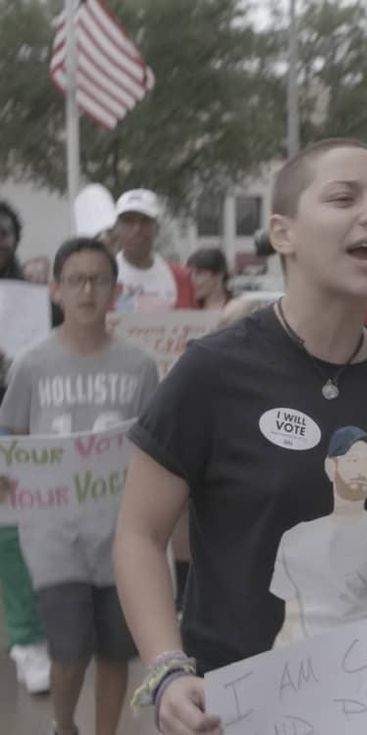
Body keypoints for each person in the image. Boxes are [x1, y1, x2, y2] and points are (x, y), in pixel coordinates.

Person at [113, 138, 367, 734]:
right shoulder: (212, 372)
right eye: (344, 198)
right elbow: (139, 535)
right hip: (243, 709)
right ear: (283, 233)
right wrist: (168, 669)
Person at [0, 236, 159, 735]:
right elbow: (12, 440)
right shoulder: (30, 364)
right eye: (75, 280)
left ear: (115, 290)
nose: (87, 291)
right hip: (54, 535)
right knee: (68, 650)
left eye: (98, 279)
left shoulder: (140, 365)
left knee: (115, 650)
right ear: (55, 290)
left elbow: (154, 445)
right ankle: (64, 723)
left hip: (121, 532)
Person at [269, 426, 367, 646]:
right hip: (304, 655)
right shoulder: (295, 538)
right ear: (331, 466)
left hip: (362, 651)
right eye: (353, 460)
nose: (362, 470)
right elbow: (291, 616)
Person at [0, 198, 52, 696]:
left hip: (15, 428)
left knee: (11, 532)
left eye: (4, 232)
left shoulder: (35, 298)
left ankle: (27, 638)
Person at [111, 189, 195, 312]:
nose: (137, 229)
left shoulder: (181, 278)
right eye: (128, 221)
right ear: (116, 228)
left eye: (145, 221)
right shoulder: (101, 277)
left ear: (157, 228)